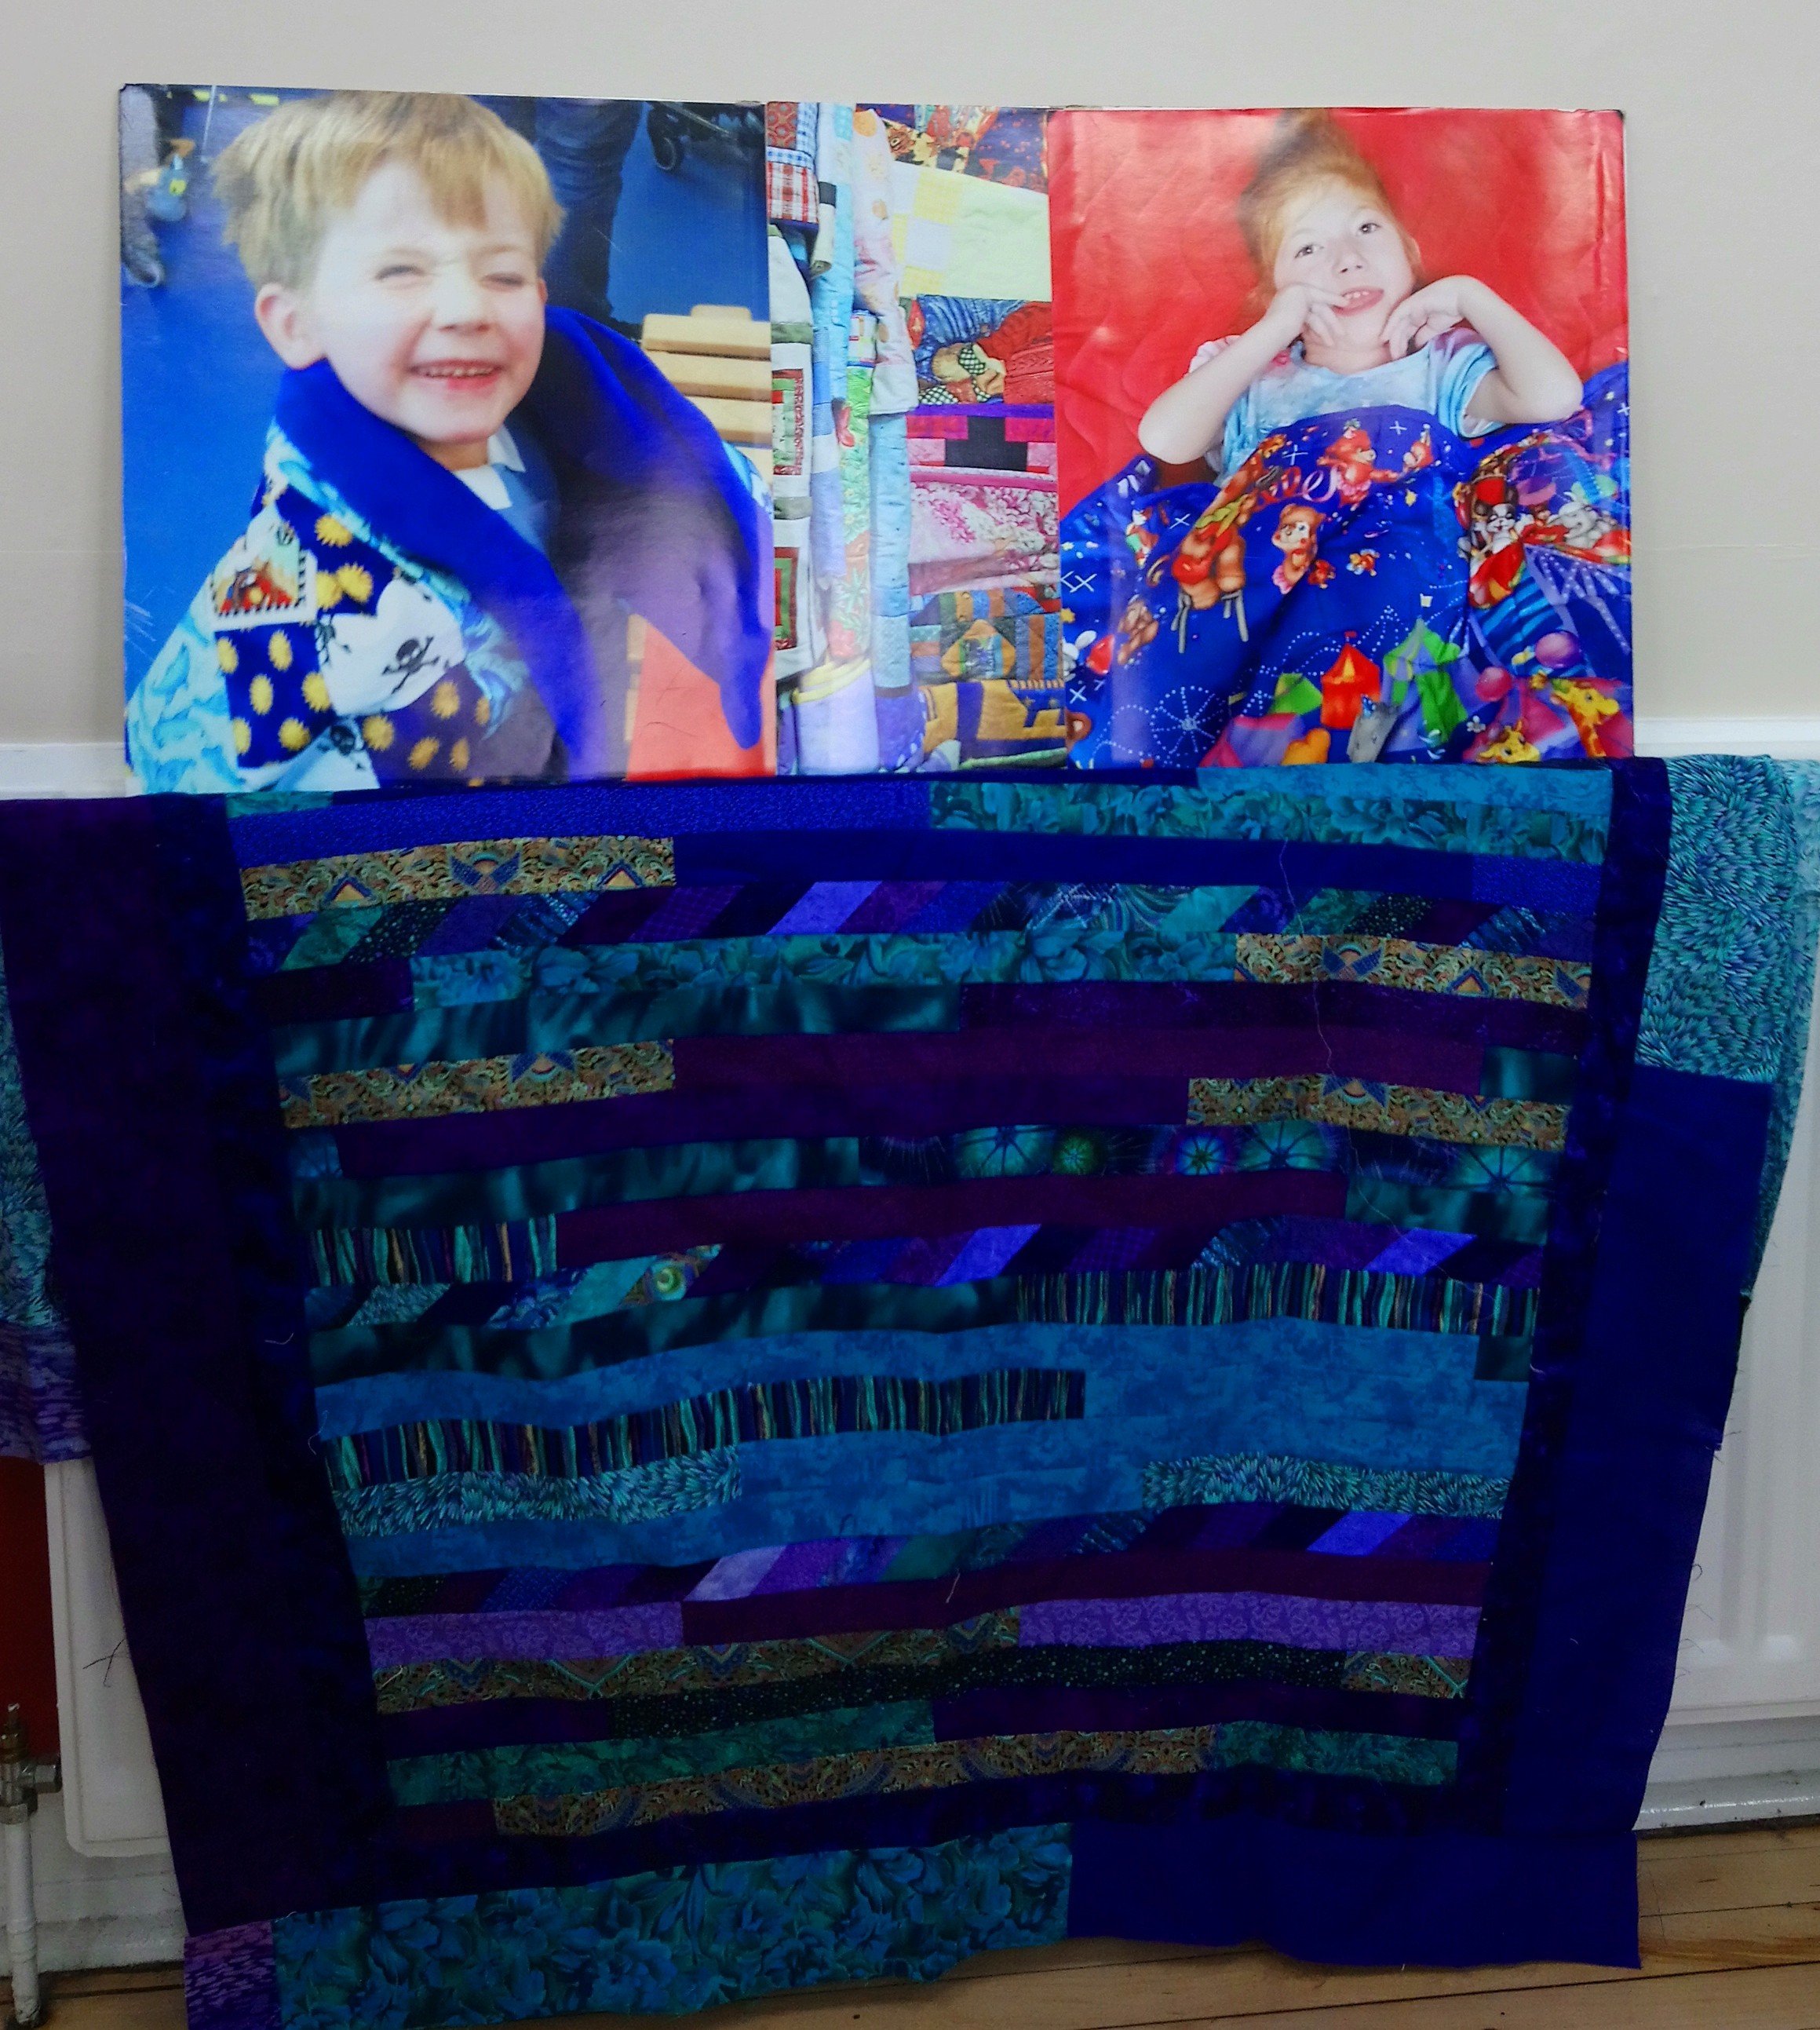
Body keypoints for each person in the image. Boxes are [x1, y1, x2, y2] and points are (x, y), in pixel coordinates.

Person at [128, 90, 768, 792]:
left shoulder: (557, 408)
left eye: (503, 274)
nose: (468, 309)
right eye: (401, 272)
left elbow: (681, 487)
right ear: (296, 324)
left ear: (542, 296)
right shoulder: (331, 603)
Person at [1137, 112, 1582, 477]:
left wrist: (1472, 296)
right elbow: (1166, 441)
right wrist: (1272, 330)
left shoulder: (1442, 370)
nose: (1348, 259)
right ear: (1274, 293)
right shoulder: (1249, 375)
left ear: (1409, 252)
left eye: (1366, 228)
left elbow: (1554, 398)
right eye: (1308, 248)